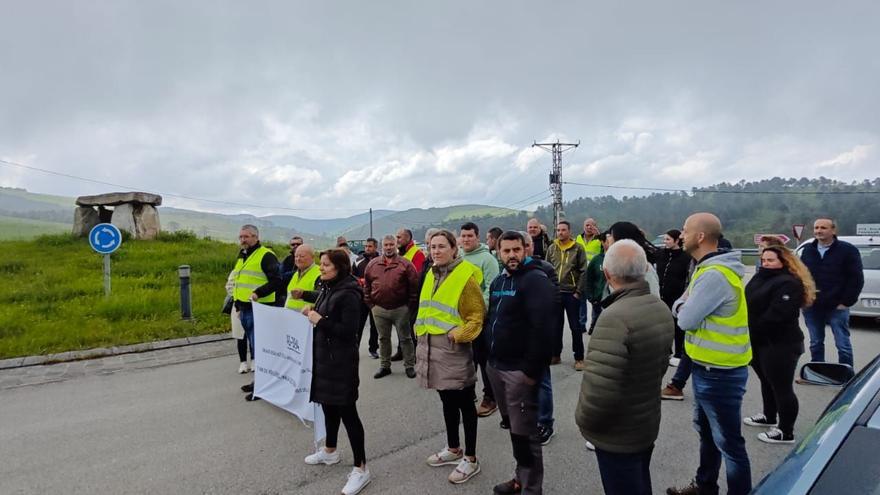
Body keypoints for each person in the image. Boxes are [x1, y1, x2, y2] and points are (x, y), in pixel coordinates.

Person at [575, 240, 674, 495]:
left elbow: (599, 390)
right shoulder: (658, 306)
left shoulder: (614, 318)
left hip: (617, 433)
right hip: (645, 421)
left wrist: (584, 421)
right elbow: (661, 365)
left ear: (607, 274)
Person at [667, 213, 752, 495]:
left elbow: (685, 318)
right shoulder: (705, 269)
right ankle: (705, 487)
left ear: (700, 236)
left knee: (729, 443)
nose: (681, 234)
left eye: (685, 229)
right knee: (707, 436)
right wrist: (683, 305)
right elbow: (682, 303)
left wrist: (682, 307)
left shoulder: (714, 275)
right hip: (707, 368)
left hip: (720, 373)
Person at [298, 249, 372, 495]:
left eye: (326, 264)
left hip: (341, 363)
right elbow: (325, 311)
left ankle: (361, 468)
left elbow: (348, 331)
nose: (321, 268)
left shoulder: (349, 293)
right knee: (328, 407)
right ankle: (330, 451)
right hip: (325, 361)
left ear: (340, 267)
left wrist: (319, 319)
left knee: (348, 413)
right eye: (321, 264)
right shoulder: (328, 288)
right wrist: (312, 309)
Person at [486, 231, 555, 495]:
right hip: (497, 367)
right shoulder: (498, 281)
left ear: (525, 250)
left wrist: (530, 371)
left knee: (526, 434)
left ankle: (531, 488)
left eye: (517, 250)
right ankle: (519, 478)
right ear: (499, 253)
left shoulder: (535, 280)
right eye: (506, 251)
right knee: (515, 430)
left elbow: (544, 329)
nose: (512, 255)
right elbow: (492, 321)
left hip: (519, 372)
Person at [415, 230, 486, 484]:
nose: (436, 251)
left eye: (441, 246)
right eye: (432, 246)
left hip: (454, 350)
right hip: (432, 350)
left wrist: (460, 334)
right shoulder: (431, 273)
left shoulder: (464, 276)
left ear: (454, 249)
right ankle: (453, 448)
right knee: (446, 400)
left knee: (465, 404)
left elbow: (477, 316)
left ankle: (471, 458)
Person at [744, 245, 815, 444]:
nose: (766, 264)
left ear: (783, 262)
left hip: (780, 343)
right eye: (764, 260)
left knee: (781, 386)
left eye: (771, 260)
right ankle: (769, 416)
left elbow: (778, 314)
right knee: (766, 381)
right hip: (758, 341)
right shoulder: (760, 277)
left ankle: (786, 431)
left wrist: (753, 328)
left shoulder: (789, 283)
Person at [799, 217, 864, 367]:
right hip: (812, 306)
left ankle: (847, 375)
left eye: (823, 228)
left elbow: (856, 279)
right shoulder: (808, 250)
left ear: (833, 230)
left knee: (842, 344)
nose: (818, 231)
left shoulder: (847, 250)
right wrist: (804, 298)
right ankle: (817, 373)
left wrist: (846, 302)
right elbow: (801, 275)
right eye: (816, 228)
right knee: (815, 342)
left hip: (837, 306)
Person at [232, 225, 282, 402]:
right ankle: (258, 381)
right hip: (245, 308)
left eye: (246, 237)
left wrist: (259, 293)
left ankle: (262, 386)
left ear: (255, 237)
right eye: (241, 237)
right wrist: (238, 304)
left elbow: (277, 281)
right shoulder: (243, 255)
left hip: (260, 309)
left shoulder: (266, 255)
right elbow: (239, 280)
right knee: (255, 348)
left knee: (261, 348)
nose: (242, 240)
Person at [522, 232, 560, 446]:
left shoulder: (545, 269)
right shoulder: (511, 271)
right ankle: (530, 419)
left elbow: (553, 302)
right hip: (520, 337)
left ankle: (546, 423)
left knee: (542, 380)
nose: (524, 249)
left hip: (539, 334)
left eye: (525, 245)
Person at [459, 222, 500, 418]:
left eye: (470, 236)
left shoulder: (487, 260)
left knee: (484, 361)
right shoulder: (457, 258)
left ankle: (490, 398)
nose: (466, 239)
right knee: (467, 360)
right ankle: (469, 395)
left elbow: (490, 291)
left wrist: (475, 314)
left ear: (478, 237)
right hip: (461, 321)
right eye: (463, 236)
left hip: (481, 320)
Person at [365, 234, 420, 379]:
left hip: (401, 309)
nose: (389, 247)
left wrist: (409, 307)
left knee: (405, 338)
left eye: (391, 244)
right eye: (386, 245)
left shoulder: (406, 264)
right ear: (382, 247)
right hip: (379, 309)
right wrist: (371, 305)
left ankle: (409, 366)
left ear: (396, 245)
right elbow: (367, 286)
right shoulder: (373, 264)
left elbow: (414, 287)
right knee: (383, 339)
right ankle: (385, 366)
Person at [545, 220, 588, 370]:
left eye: (563, 230)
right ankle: (555, 355)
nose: (560, 233)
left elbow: (584, 271)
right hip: (556, 293)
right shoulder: (552, 248)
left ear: (569, 231)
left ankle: (579, 358)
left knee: (575, 327)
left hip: (572, 294)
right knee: (556, 326)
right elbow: (547, 270)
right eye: (558, 230)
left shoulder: (578, 248)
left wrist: (578, 292)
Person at [655, 229, 691, 366]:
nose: (665, 242)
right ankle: (665, 352)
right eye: (665, 239)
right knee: (663, 326)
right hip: (662, 296)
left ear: (677, 241)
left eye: (668, 239)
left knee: (678, 327)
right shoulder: (660, 254)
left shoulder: (685, 257)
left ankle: (679, 353)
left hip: (677, 297)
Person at [577, 232, 609, 335]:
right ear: (603, 242)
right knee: (596, 330)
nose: (611, 243)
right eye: (608, 241)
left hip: (614, 300)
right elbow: (589, 279)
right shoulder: (597, 260)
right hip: (598, 299)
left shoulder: (620, 259)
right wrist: (591, 297)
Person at [354, 238, 381, 359]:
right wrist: (359, 280)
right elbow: (351, 276)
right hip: (361, 298)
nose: (367, 248)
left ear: (375, 247)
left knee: (375, 325)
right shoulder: (358, 261)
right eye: (366, 246)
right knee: (358, 325)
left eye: (370, 246)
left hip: (376, 298)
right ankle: (355, 349)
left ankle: (373, 349)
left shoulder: (381, 261)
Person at [575, 218, 602, 330]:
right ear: (583, 226)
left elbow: (605, 251)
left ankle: (594, 324)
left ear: (596, 227)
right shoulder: (578, 238)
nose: (589, 227)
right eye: (587, 225)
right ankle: (582, 324)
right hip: (581, 273)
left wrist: (600, 236)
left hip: (595, 274)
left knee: (595, 301)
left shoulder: (599, 239)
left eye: (592, 225)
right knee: (581, 301)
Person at [226, 269, 251, 373]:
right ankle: (243, 362)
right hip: (238, 305)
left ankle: (254, 360)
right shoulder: (236, 270)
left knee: (253, 335)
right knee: (241, 336)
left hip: (252, 304)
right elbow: (229, 286)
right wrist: (239, 298)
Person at [285, 244, 320, 311]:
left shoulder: (319, 273)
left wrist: (303, 294)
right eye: (296, 256)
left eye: (302, 256)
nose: (298, 259)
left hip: (305, 319)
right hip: (290, 316)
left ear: (313, 257)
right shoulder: (296, 273)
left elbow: (321, 296)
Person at [278, 235, 304, 305]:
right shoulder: (287, 259)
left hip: (300, 295)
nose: (295, 246)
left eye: (298, 244)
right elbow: (280, 275)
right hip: (284, 293)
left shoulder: (307, 259)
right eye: (293, 244)